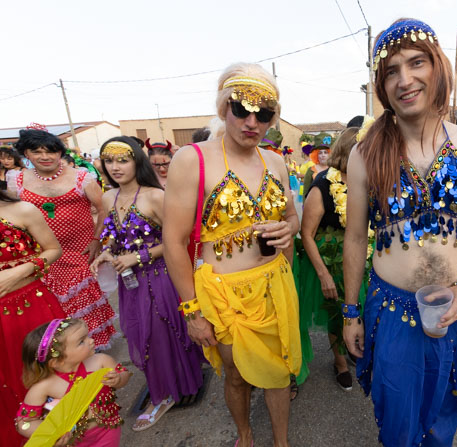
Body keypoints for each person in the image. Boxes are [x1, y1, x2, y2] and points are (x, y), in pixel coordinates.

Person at [343, 18, 457, 446]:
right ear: (381, 86)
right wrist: (350, 313)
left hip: (456, 307)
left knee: (444, 418)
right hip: (391, 311)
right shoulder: (364, 154)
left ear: (438, 67)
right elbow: (355, 239)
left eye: (417, 63)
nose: (405, 80)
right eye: (391, 71)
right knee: (397, 421)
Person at [163, 63, 301, 447]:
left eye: (264, 114)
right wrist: (192, 311)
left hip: (275, 285)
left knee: (279, 372)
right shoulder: (192, 159)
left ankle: (281, 442)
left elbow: (291, 216)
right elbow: (173, 241)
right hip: (224, 295)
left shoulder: (275, 161)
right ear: (224, 107)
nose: (252, 122)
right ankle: (245, 434)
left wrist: (289, 227)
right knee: (236, 375)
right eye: (241, 109)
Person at [90, 137, 204, 431]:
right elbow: (115, 233)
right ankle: (169, 386)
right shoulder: (108, 197)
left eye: (123, 160)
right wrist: (108, 251)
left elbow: (179, 240)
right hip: (130, 282)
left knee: (159, 337)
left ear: (137, 161)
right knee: (139, 334)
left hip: (161, 278)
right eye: (109, 161)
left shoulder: (155, 196)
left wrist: (138, 257)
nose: (115, 167)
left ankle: (163, 395)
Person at [9, 129, 117, 349]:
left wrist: (97, 239)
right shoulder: (16, 180)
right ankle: (60, 351)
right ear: (26, 154)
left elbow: (103, 208)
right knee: (53, 304)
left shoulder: (81, 177)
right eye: (37, 152)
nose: (45, 157)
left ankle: (91, 348)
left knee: (85, 300)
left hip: (81, 251)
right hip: (43, 256)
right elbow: (12, 216)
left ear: (60, 153)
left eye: (50, 151)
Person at [296, 127, 367, 393]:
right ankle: (340, 363)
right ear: (350, 152)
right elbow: (306, 233)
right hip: (332, 260)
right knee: (338, 314)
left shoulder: (367, 179)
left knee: (361, 309)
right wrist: (324, 274)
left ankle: (354, 347)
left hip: (364, 256)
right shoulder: (323, 184)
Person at [0, 190, 64, 447]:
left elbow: (54, 249)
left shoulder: (22, 210)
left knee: (47, 371)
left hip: (30, 307)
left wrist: (19, 272)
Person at [16, 318, 131, 446]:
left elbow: (124, 373)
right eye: (81, 341)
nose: (91, 340)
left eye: (87, 336)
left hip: (107, 431)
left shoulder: (101, 361)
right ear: (57, 361)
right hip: (71, 442)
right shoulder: (43, 387)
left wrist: (119, 379)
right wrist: (51, 435)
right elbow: (24, 422)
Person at [301, 133, 331, 197]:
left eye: (325, 152)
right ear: (316, 155)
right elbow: (305, 192)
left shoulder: (334, 169)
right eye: (320, 153)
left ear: (330, 154)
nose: (323, 155)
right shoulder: (311, 170)